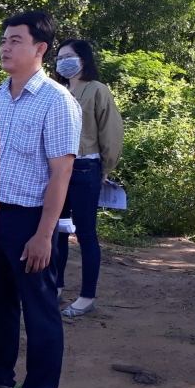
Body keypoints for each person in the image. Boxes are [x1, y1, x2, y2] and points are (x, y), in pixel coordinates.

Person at [0, 11, 81, 388]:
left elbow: (61, 173)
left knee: (40, 313)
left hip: (32, 224)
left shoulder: (58, 102)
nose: (6, 47)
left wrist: (44, 234)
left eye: (16, 40)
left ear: (40, 48)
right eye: (4, 39)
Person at [52, 40, 123, 317]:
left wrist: (106, 167)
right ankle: (55, 288)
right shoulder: (58, 90)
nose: (63, 61)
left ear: (84, 59)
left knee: (86, 234)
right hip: (57, 170)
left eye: (69, 56)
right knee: (57, 230)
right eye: (59, 57)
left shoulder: (97, 90)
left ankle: (86, 296)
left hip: (85, 169)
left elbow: (111, 131)